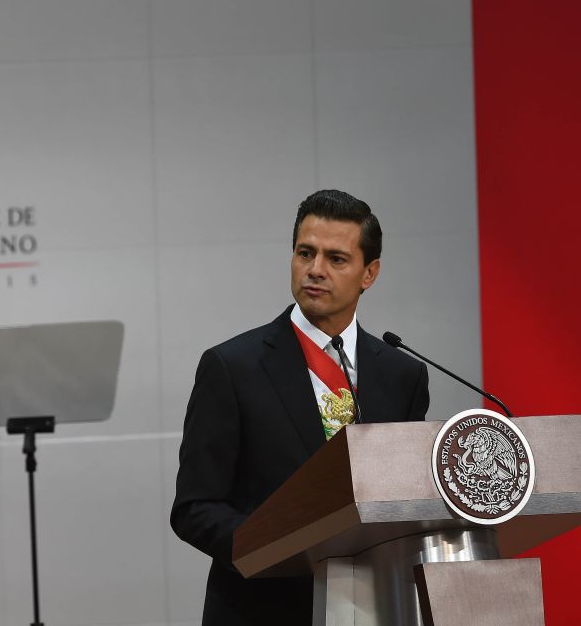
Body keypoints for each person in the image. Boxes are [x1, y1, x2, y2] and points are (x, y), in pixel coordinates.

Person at [171, 189, 430, 624]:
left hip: (378, 605)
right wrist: (283, 547)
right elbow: (194, 508)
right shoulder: (232, 367)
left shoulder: (402, 375)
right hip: (263, 608)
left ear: (370, 273)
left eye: (336, 259)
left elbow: (406, 498)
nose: (315, 270)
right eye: (305, 253)